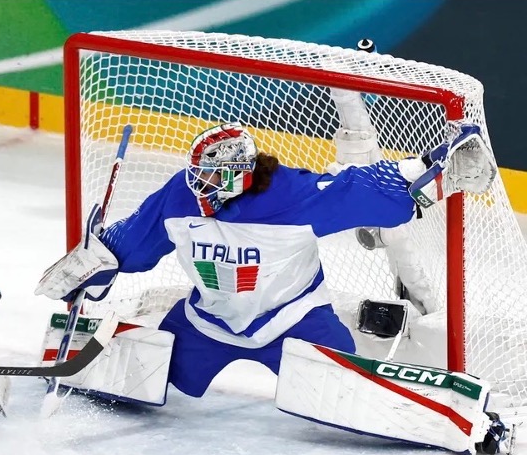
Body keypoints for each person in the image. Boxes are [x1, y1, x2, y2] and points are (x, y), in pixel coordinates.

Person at [36, 121, 496, 402]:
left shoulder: (292, 196)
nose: (198, 185)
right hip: (207, 323)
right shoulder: (181, 194)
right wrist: (101, 255)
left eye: (210, 176)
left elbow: (360, 188)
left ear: (239, 174)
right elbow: (137, 238)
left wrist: (434, 169)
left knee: (346, 391)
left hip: (295, 320)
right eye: (196, 173)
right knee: (148, 378)